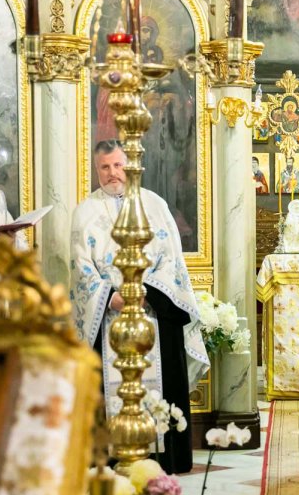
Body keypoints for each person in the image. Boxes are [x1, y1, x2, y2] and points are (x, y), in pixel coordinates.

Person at [70, 140, 210, 473]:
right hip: (109, 317)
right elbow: (80, 268)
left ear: (129, 166)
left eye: (118, 165)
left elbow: (170, 258)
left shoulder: (154, 205)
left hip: (153, 312)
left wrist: (145, 292)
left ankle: (165, 458)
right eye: (105, 167)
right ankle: (114, 460)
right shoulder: (85, 211)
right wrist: (110, 297)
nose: (112, 173)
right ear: (96, 169)